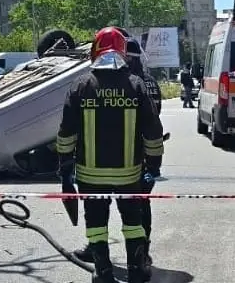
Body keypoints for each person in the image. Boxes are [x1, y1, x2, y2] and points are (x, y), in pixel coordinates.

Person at [56, 27, 165, 283]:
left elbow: (65, 134)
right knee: (133, 221)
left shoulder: (80, 86)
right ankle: (137, 270)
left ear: (95, 52)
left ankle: (103, 272)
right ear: (124, 53)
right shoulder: (136, 86)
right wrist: (154, 167)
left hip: (90, 175)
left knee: (95, 223)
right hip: (129, 174)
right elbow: (153, 132)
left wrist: (65, 169)